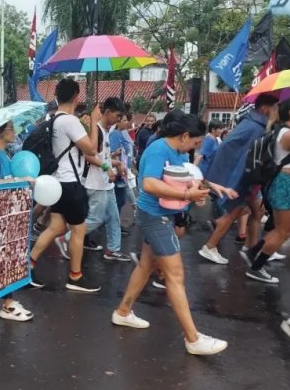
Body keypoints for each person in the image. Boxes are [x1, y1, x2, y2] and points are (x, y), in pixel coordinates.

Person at [110, 112, 236, 356]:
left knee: (146, 266)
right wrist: (188, 196)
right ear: (184, 135)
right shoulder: (159, 150)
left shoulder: (176, 151)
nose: (194, 148)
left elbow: (184, 178)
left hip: (158, 215)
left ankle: (123, 312)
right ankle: (193, 338)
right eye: (195, 143)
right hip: (156, 218)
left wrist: (211, 187)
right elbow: (149, 184)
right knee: (175, 275)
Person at [28, 78, 101, 293]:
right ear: (76, 97)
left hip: (58, 182)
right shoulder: (69, 121)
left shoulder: (54, 119)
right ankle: (75, 277)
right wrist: (94, 122)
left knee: (57, 227)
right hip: (70, 183)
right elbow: (91, 150)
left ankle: (29, 264)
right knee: (79, 229)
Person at [241, 99, 290, 284]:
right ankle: (256, 265)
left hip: (288, 181)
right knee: (284, 229)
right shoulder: (289, 134)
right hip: (284, 182)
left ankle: (253, 252)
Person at [199, 94, 280, 265]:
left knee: (257, 212)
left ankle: (254, 247)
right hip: (244, 179)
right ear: (265, 108)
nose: (277, 112)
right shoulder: (256, 128)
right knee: (232, 214)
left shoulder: (252, 124)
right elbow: (246, 158)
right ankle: (210, 246)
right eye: (275, 108)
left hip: (246, 178)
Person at [59, 98, 130, 262]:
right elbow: (89, 156)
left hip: (105, 183)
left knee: (113, 217)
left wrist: (116, 163)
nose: (119, 120)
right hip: (95, 182)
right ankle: (66, 238)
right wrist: (107, 168)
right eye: (117, 115)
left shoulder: (105, 131)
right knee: (96, 218)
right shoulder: (95, 131)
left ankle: (113, 249)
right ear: (107, 112)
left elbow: (102, 157)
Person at [0, 121, 34, 322]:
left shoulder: (5, 153)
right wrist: (17, 182)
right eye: (11, 129)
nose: (14, 132)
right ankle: (7, 304)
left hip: (7, 213)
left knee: (5, 257)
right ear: (1, 132)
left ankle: (8, 301)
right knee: (0, 257)